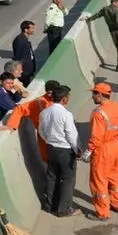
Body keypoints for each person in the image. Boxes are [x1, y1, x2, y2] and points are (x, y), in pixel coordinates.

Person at [81, 82, 118, 221]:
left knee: (99, 180)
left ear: (100, 95)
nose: (92, 97)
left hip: (102, 150)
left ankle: (102, 212)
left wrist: (88, 151)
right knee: (115, 177)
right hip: (116, 147)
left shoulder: (98, 113)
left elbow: (96, 137)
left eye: (94, 93)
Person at [39, 85, 82, 217]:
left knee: (52, 176)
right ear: (64, 99)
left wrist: (48, 141)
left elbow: (41, 130)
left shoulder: (44, 112)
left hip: (51, 148)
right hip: (65, 150)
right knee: (68, 179)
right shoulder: (66, 115)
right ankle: (64, 209)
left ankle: (50, 205)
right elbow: (71, 134)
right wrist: (77, 150)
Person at [2, 79, 61, 163]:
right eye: (49, 92)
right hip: (46, 140)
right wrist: (11, 125)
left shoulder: (60, 100)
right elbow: (20, 109)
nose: (51, 95)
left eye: (53, 93)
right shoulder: (38, 102)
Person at [86, 0, 118, 71]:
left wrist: (88, 19)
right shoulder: (117, 10)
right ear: (114, 3)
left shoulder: (105, 9)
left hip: (112, 32)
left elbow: (97, 15)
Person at [12, 20, 36, 87]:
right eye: (32, 28)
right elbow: (17, 57)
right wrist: (20, 70)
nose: (33, 30)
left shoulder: (25, 39)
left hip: (28, 69)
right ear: (26, 29)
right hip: (23, 71)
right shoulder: (19, 40)